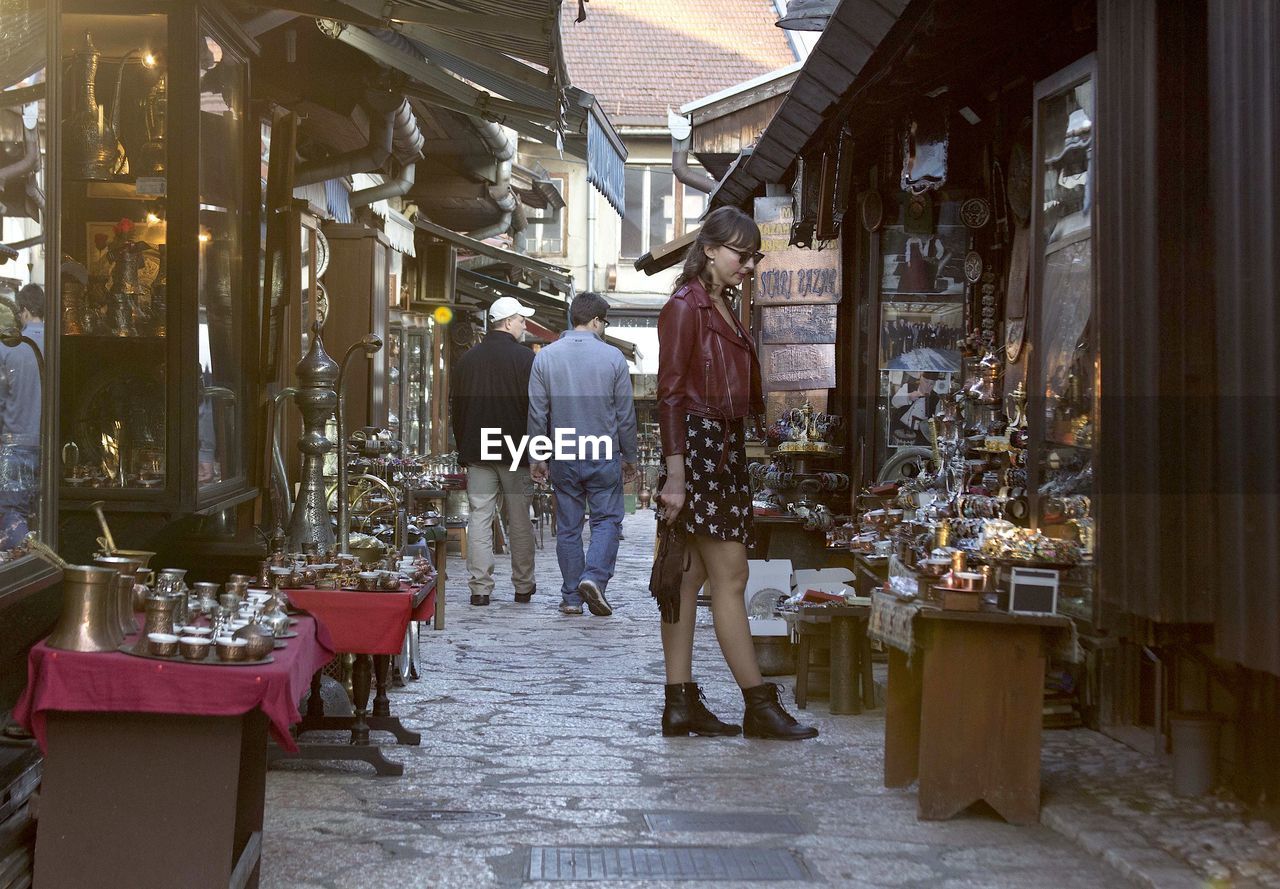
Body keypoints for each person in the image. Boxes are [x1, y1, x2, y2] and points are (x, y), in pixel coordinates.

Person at [654, 206, 818, 741]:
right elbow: (672, 395)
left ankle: (679, 703)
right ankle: (758, 704)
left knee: (688, 577)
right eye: (740, 254)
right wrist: (676, 477)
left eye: (752, 256)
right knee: (731, 576)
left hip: (719, 447)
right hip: (700, 449)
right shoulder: (686, 306)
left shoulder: (719, 303)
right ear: (710, 250)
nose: (748, 264)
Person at [528, 293, 638, 617]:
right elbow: (625, 414)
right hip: (602, 452)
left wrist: (537, 457)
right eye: (604, 322)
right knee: (607, 520)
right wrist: (629, 456)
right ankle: (593, 577)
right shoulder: (614, 358)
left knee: (569, 526)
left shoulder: (545, 357)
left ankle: (572, 598)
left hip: (562, 452)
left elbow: (537, 413)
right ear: (595, 321)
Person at [449, 296, 538, 606]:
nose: (525, 326)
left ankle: (480, 589)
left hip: (478, 451)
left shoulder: (468, 360)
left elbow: (456, 410)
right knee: (519, 520)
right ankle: (523, 585)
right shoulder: (526, 359)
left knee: (479, 518)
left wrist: (464, 447)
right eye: (522, 320)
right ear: (508, 322)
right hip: (516, 450)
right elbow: (535, 410)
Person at [0, 284, 44, 549]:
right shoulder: (57, 342)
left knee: (12, 513)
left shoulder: (10, 348)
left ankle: (26, 562)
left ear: (24, 311)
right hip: (49, 444)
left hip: (16, 444)